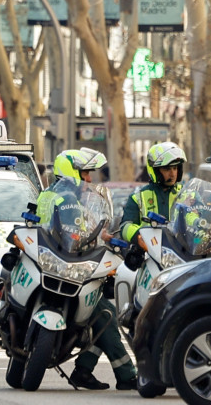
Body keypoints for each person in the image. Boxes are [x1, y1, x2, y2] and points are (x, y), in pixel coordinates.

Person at [39, 149, 137, 391]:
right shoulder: (68, 201)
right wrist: (102, 238)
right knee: (103, 313)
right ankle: (125, 375)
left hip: (47, 265)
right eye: (85, 174)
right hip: (69, 268)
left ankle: (84, 370)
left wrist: (105, 235)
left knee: (100, 315)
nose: (89, 179)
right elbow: (78, 233)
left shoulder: (47, 195)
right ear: (71, 173)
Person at [121, 142, 187, 247]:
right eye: (167, 169)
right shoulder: (137, 197)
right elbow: (125, 227)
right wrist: (139, 235)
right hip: (149, 253)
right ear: (155, 171)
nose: (173, 173)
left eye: (175, 168)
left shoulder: (188, 194)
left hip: (182, 253)